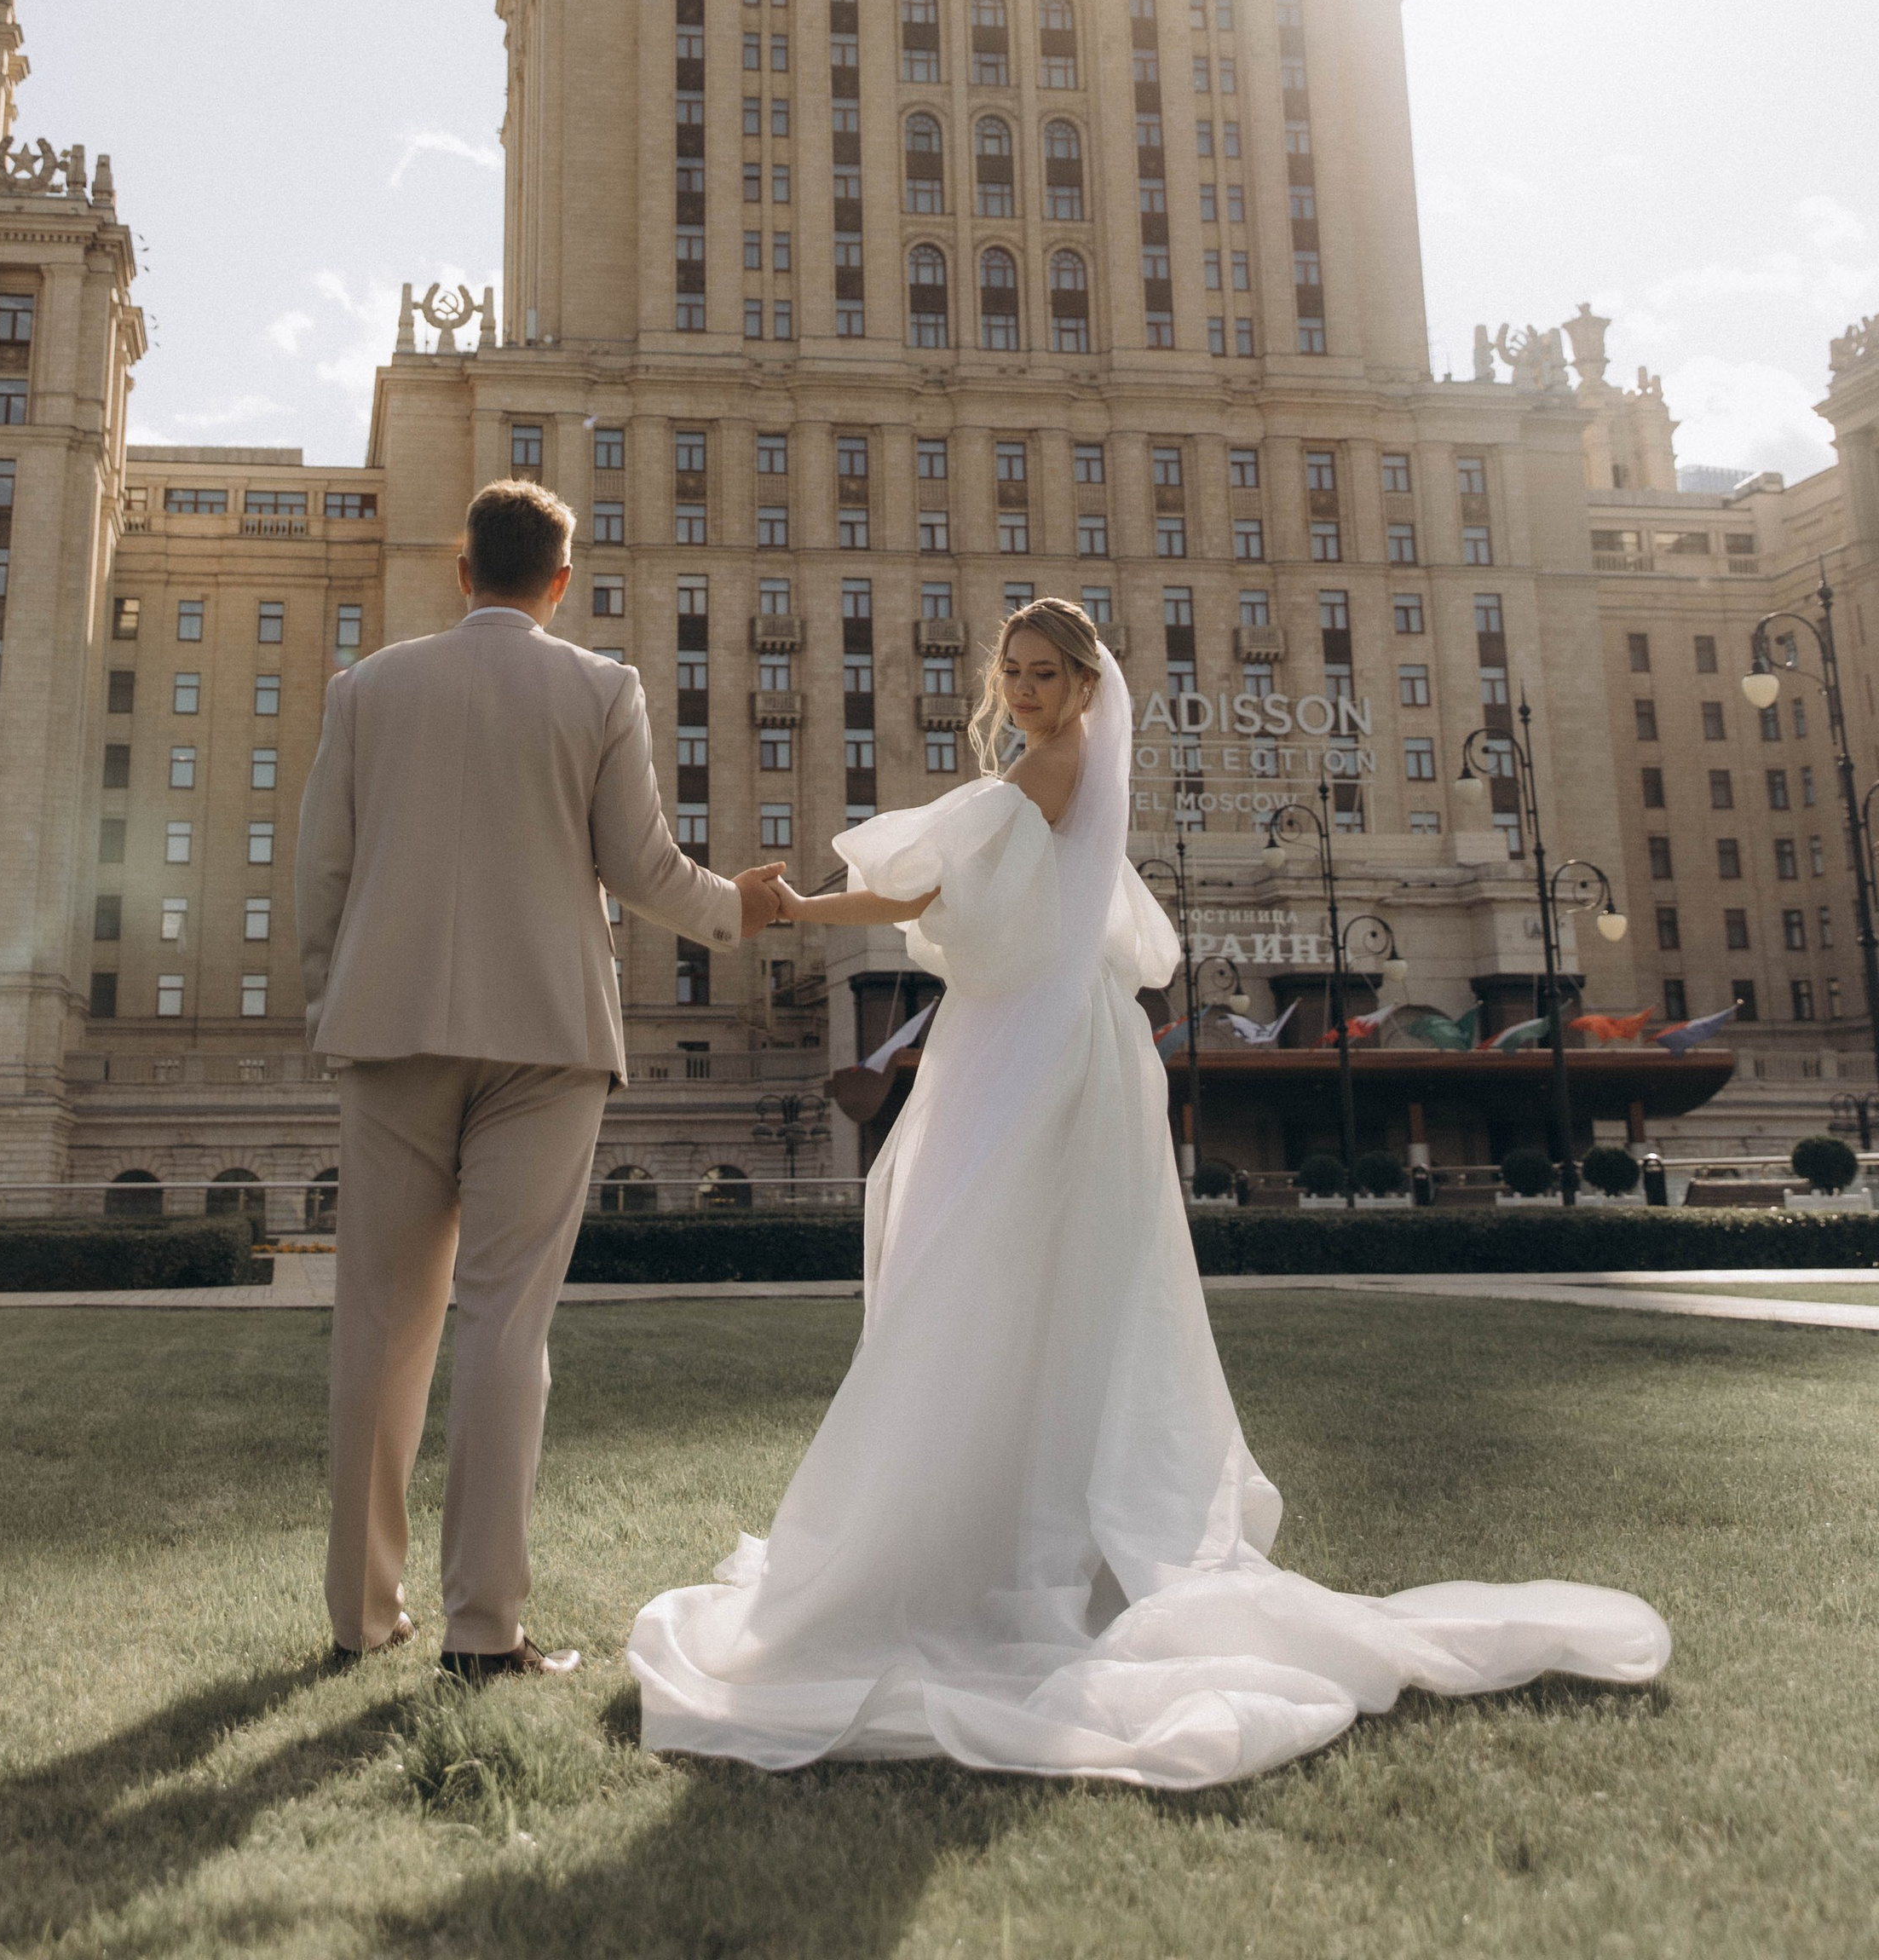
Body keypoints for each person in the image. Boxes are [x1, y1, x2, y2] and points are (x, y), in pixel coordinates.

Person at [628, 599, 1671, 1788]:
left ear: (1083, 683)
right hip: (1053, 1041)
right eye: (1010, 673)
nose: (1022, 692)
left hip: (1024, 1052)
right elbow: (1015, 910)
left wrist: (797, 907)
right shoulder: (1066, 776)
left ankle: (980, 1538)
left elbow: (913, 890)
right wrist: (817, 910)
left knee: (977, 1273)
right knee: (1044, 1284)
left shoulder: (1046, 772)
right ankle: (1032, 1523)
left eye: (1043, 674)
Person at [296, 477, 787, 1675]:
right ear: (559, 584)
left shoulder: (366, 691)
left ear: (462, 572)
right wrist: (739, 909)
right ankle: (482, 1633)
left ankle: (362, 1618)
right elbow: (639, 863)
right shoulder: (602, 687)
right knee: (505, 1325)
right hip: (550, 1041)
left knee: (378, 1331)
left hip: (390, 1031)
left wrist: (335, 995)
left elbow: (319, 868)